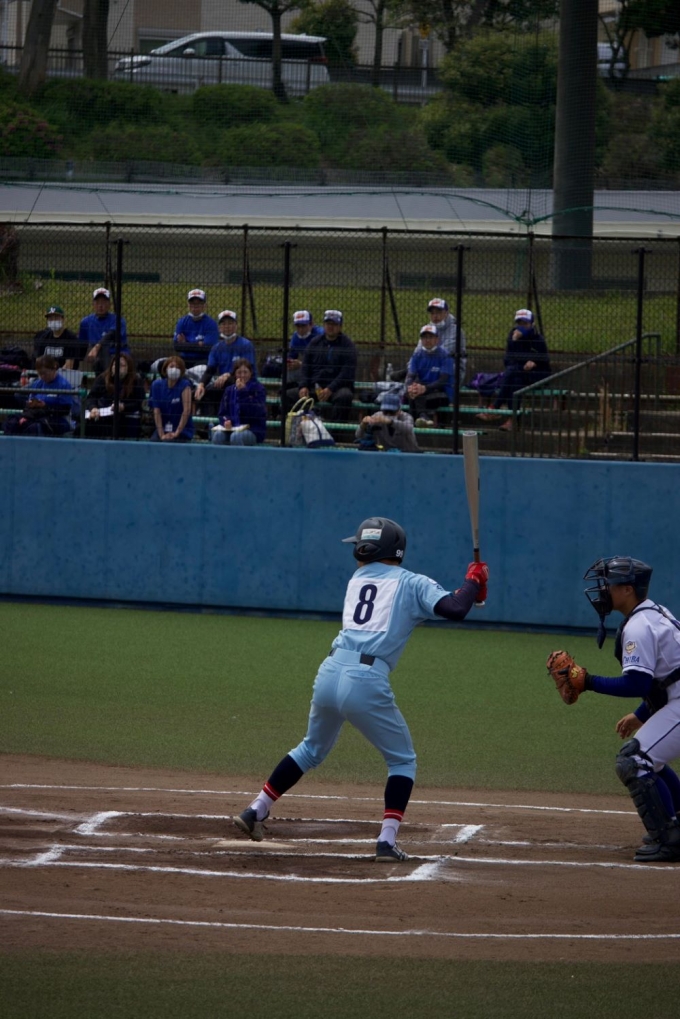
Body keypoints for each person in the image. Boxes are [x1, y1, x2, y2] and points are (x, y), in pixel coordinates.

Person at [233, 517, 489, 860]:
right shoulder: (411, 582)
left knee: (310, 749)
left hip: (330, 670)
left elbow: (453, 605)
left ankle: (256, 808)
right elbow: (456, 609)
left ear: (368, 550)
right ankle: (386, 841)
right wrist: (473, 581)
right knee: (402, 761)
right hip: (366, 679)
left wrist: (471, 588)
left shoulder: (359, 578)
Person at [546, 556, 680, 863]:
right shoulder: (653, 613)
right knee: (650, 757)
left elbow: (637, 683)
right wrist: (640, 715)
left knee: (635, 760)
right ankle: (675, 825)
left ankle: (669, 840)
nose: (604, 589)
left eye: (610, 584)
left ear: (628, 589)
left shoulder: (639, 626)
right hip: (675, 699)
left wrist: (588, 681)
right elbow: (664, 680)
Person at [478, 309, 551, 432]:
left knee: (512, 373)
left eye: (525, 324)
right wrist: (515, 342)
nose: (522, 326)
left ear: (532, 324)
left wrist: (534, 361)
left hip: (536, 374)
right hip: (518, 373)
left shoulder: (538, 339)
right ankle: (511, 420)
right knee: (515, 381)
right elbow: (508, 359)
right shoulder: (513, 337)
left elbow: (544, 359)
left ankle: (495, 407)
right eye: (519, 323)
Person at [287, 310, 357, 422]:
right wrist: (303, 386)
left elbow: (347, 373)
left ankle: (336, 431)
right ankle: (293, 428)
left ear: (340, 326)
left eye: (334, 324)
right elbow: (306, 367)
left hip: (337, 388)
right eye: (328, 323)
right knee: (288, 395)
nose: (330, 327)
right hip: (315, 387)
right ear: (324, 325)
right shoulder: (315, 343)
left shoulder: (348, 346)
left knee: (345, 396)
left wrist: (330, 388)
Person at [194, 310, 255, 414]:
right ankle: (210, 421)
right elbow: (210, 370)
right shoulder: (216, 348)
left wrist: (228, 374)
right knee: (205, 392)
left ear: (236, 326)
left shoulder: (246, 345)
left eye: (230, 323)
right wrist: (201, 384)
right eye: (224, 324)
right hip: (224, 384)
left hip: (244, 381)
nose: (227, 326)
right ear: (219, 328)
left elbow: (248, 369)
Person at [3, 354, 78, 436]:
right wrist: (27, 413)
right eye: (40, 374)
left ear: (53, 369)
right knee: (12, 422)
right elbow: (27, 401)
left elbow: (65, 409)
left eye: (45, 373)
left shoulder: (63, 385)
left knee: (35, 427)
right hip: (36, 415)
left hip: (57, 418)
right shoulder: (37, 383)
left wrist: (45, 406)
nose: (42, 376)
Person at [85, 352, 145, 440]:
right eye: (115, 364)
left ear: (128, 368)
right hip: (104, 415)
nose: (117, 367)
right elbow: (91, 397)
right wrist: (93, 408)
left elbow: (139, 402)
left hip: (126, 417)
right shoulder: (103, 378)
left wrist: (124, 407)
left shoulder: (136, 380)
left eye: (122, 365)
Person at [405, 323, 454, 427]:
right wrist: (410, 387)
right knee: (412, 394)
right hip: (423, 391)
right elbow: (410, 376)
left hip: (442, 393)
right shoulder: (417, 355)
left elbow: (443, 381)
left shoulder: (445, 355)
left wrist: (424, 388)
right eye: (424, 337)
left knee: (417, 397)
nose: (427, 340)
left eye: (430, 337)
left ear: (437, 339)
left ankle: (417, 420)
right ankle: (421, 419)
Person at [211, 358, 267, 446]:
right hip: (232, 428)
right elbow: (222, 413)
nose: (242, 375)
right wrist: (226, 421)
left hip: (253, 430)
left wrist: (243, 392)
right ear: (235, 374)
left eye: (245, 372)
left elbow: (256, 412)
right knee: (218, 435)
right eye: (239, 372)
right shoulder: (229, 390)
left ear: (250, 373)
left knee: (236, 436)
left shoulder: (258, 389)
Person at [412, 298, 466, 385]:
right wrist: (411, 366)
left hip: (451, 371)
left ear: (446, 313)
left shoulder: (456, 331)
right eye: (432, 313)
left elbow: (442, 353)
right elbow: (417, 352)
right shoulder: (427, 329)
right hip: (427, 367)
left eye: (438, 312)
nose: (435, 316)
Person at [280, 309, 325, 404]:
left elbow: (322, 362)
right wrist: (290, 363)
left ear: (311, 324)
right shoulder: (295, 337)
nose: (300, 330)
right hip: (306, 369)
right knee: (287, 374)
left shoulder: (321, 335)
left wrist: (301, 364)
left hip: (321, 371)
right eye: (298, 326)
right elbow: (291, 355)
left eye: (303, 326)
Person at [354, 391, 420, 453]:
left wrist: (390, 422)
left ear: (399, 410)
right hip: (387, 454)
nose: (388, 414)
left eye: (392, 412)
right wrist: (363, 424)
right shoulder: (377, 416)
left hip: (409, 453)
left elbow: (408, 428)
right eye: (385, 411)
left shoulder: (406, 416)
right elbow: (358, 436)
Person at [79, 288, 129, 368]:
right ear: (93, 304)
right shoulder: (86, 322)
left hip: (117, 355)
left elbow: (111, 335)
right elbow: (82, 344)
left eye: (104, 302)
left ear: (109, 304)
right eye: (97, 302)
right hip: (98, 358)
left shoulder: (118, 320)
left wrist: (96, 348)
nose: (100, 305)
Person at [148, 355, 194, 443]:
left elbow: (187, 410)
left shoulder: (185, 385)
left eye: (178, 367)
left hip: (182, 430)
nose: (174, 369)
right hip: (163, 428)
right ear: (165, 369)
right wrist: (161, 435)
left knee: (169, 442)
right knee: (154, 442)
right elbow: (156, 411)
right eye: (171, 366)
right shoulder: (156, 385)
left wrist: (176, 433)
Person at [173, 288, 219, 369]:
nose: (195, 306)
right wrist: (198, 344)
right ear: (188, 305)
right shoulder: (182, 322)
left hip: (203, 360)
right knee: (169, 365)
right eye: (192, 303)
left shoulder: (211, 324)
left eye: (199, 303)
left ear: (204, 305)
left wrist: (185, 343)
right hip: (184, 359)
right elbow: (177, 346)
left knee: (200, 369)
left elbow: (208, 348)